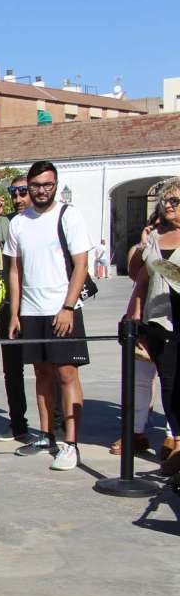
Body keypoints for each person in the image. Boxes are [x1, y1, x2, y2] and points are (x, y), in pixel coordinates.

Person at [5, 160, 91, 472]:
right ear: (28, 186)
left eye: (48, 185)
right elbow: (15, 271)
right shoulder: (17, 223)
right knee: (41, 375)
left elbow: (81, 265)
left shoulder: (69, 215)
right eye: (36, 185)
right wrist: (15, 313)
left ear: (55, 185)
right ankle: (46, 436)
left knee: (67, 375)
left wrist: (68, 307)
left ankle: (71, 443)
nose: (42, 190)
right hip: (31, 311)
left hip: (61, 310)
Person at [0, 177, 41, 443]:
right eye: (13, 193)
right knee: (12, 368)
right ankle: (18, 423)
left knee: (46, 366)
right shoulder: (5, 223)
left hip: (40, 303)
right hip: (10, 304)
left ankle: (55, 426)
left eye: (22, 192)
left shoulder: (46, 220)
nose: (17, 198)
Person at [128, 189, 179, 465]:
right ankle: (176, 444)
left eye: (175, 201)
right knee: (169, 384)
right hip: (159, 321)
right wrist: (135, 316)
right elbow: (140, 278)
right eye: (165, 201)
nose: (168, 205)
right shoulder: (156, 238)